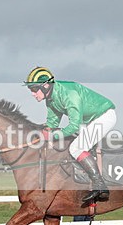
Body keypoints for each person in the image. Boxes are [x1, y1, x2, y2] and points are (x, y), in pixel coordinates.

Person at [24, 66, 116, 205]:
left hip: (104, 116)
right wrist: (43, 132)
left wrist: (52, 136)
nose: (32, 93)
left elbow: (73, 126)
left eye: (34, 89)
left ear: (46, 86)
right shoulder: (50, 99)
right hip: (91, 120)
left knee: (76, 148)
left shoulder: (69, 94)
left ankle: (100, 184)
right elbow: (52, 123)